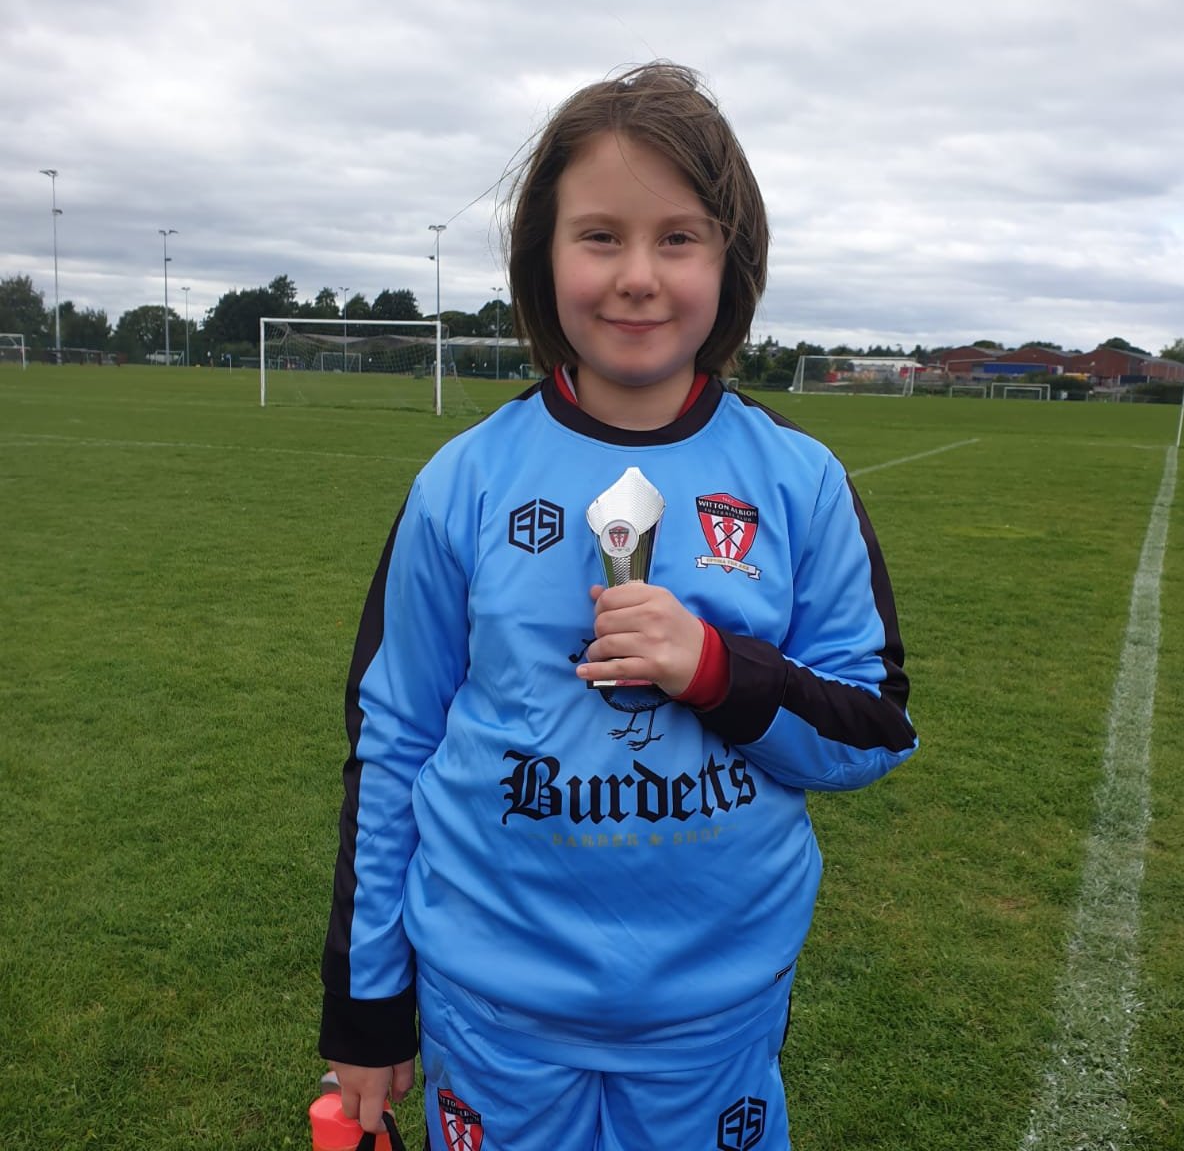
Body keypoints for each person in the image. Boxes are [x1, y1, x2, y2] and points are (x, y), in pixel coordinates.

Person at [319, 61, 917, 1151]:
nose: (638, 276)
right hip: (492, 1010)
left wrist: (720, 672)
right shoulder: (463, 480)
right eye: (599, 236)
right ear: (542, 258)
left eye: (678, 238)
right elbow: (393, 741)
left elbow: (876, 727)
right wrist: (364, 1005)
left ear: (731, 262)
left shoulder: (798, 482)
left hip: (713, 1016)